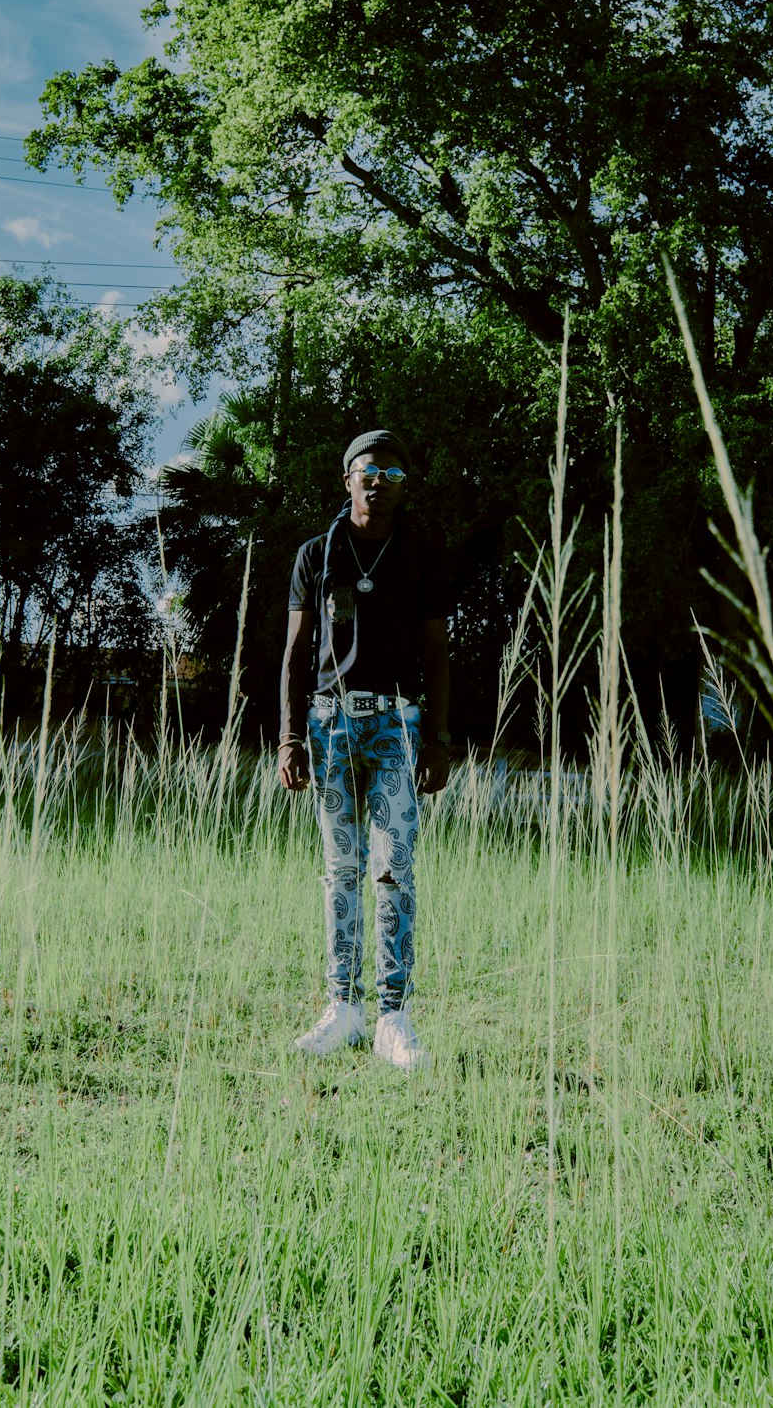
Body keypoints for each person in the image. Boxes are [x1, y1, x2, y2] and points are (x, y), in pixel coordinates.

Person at [278, 429, 450, 1070]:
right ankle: (342, 1008)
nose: (380, 481)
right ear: (347, 479)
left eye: (394, 474)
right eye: (368, 471)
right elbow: (295, 655)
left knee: (395, 870)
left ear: (405, 488)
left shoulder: (423, 558)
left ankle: (393, 1018)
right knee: (341, 869)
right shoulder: (316, 555)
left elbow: (436, 653)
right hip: (330, 726)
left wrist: (438, 735)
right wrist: (290, 735)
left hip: (397, 727)